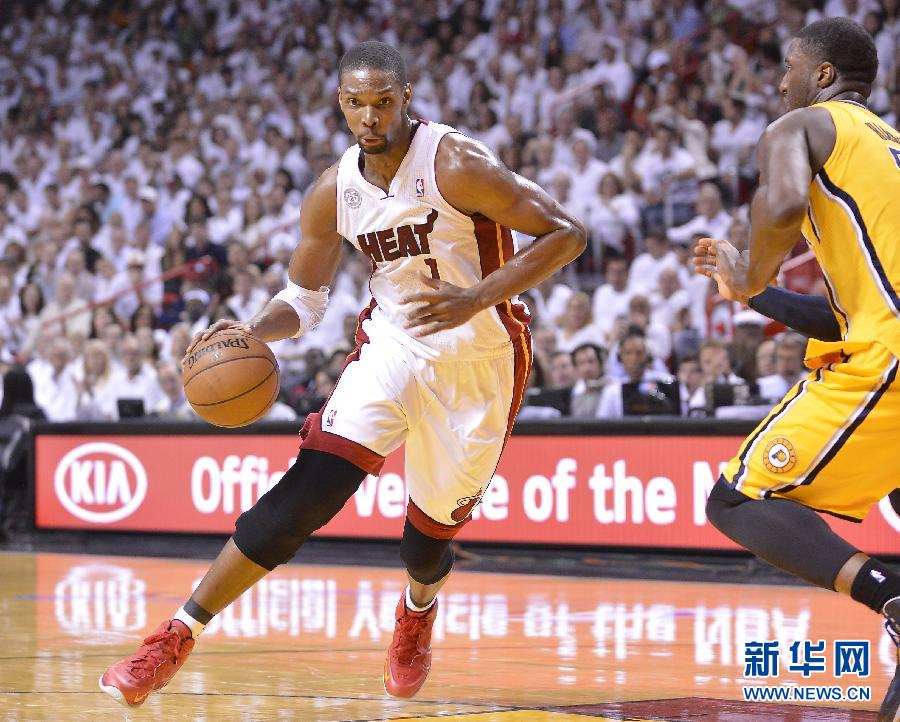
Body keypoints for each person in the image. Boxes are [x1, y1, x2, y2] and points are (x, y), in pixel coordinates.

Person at [100, 41, 585, 708]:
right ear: (341, 104)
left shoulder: (456, 162)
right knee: (305, 495)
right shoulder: (334, 190)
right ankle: (174, 637)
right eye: (356, 104)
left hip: (480, 363)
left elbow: (566, 233)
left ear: (405, 99)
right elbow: (305, 300)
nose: (370, 116)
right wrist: (252, 330)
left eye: (382, 102)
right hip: (390, 350)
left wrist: (479, 296)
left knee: (426, 544)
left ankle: (417, 612)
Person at [693, 19, 900, 721]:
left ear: (821, 75)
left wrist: (749, 266)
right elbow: (849, 311)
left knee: (736, 501)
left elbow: (778, 203)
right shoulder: (884, 149)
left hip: (890, 361)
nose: (780, 82)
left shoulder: (804, 128)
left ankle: (888, 594)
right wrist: (751, 291)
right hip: (880, 337)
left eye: (789, 67)